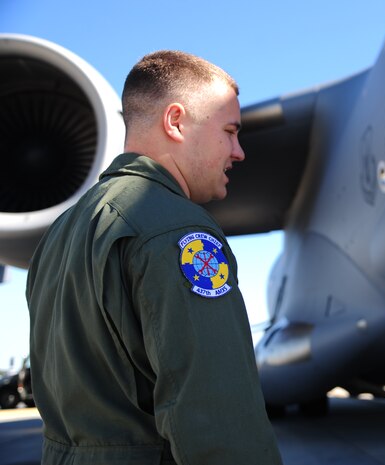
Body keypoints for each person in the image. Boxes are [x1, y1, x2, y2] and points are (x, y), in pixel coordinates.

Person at [25, 50, 282, 465]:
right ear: (176, 121)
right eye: (230, 131)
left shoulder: (65, 231)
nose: (239, 152)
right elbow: (217, 419)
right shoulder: (176, 229)